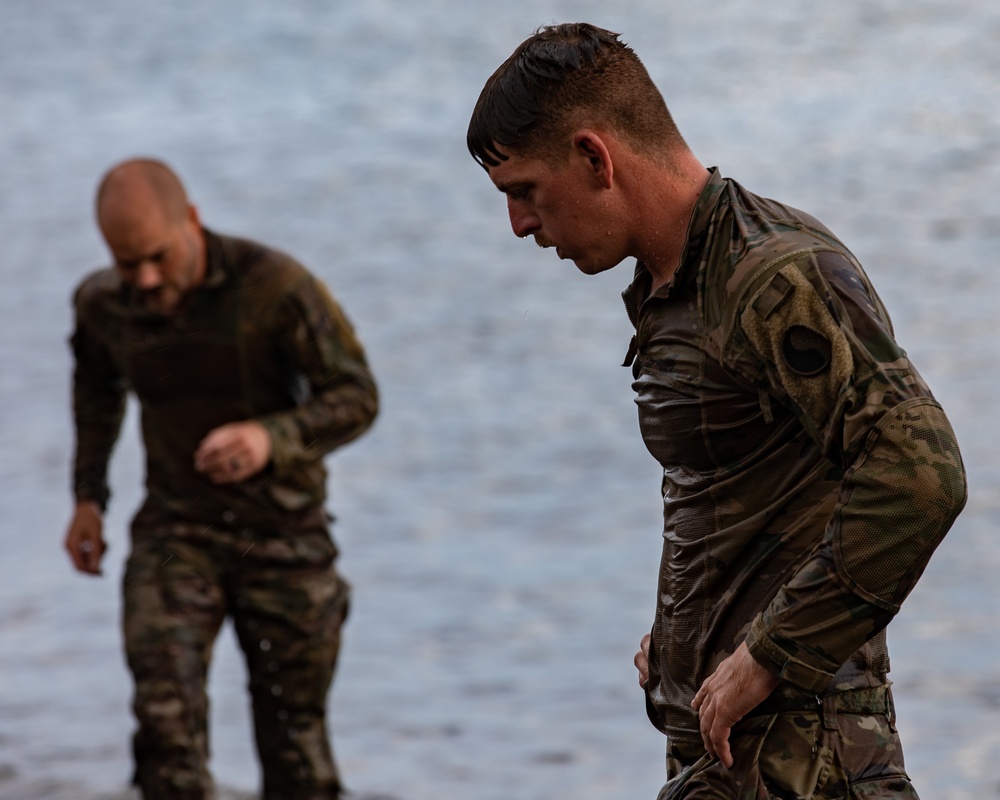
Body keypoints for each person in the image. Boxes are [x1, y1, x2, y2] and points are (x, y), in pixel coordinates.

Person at [467, 23, 967, 799]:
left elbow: (920, 476)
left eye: (524, 191)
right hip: (729, 755)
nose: (520, 226)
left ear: (595, 157)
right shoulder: (674, 287)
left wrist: (767, 653)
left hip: (815, 759)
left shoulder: (776, 277)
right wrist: (679, 642)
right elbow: (753, 488)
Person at [63, 158, 379, 800]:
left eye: (156, 256)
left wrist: (272, 438)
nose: (145, 279)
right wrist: (87, 498)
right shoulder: (102, 305)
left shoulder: (276, 287)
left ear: (193, 221)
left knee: (294, 748)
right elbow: (96, 389)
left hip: (284, 537)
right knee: (164, 733)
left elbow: (356, 397)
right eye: (128, 264)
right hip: (177, 537)